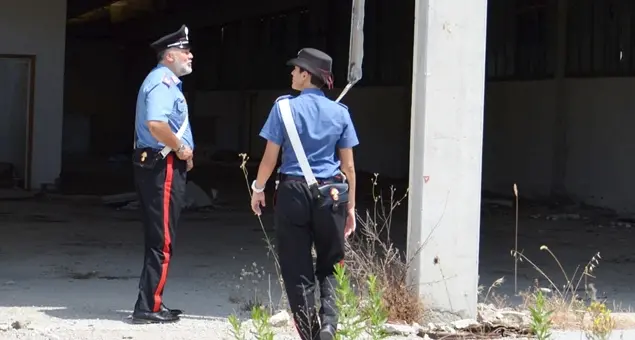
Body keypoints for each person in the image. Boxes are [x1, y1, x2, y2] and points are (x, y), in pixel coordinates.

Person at [250, 48, 359, 340]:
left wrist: (257, 189)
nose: (292, 74)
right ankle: (329, 325)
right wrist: (350, 209)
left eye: (296, 69)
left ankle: (310, 334)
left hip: (293, 192)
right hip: (333, 192)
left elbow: (269, 159)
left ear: (306, 75)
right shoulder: (340, 113)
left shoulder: (283, 108)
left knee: (296, 269)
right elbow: (348, 166)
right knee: (332, 262)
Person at [130, 24, 195, 324]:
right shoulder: (163, 82)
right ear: (169, 56)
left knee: (159, 237)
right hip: (163, 166)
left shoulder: (163, 81)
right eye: (185, 51)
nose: (190, 55)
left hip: (160, 164)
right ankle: (149, 307)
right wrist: (181, 149)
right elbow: (157, 125)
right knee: (162, 240)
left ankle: (151, 301)